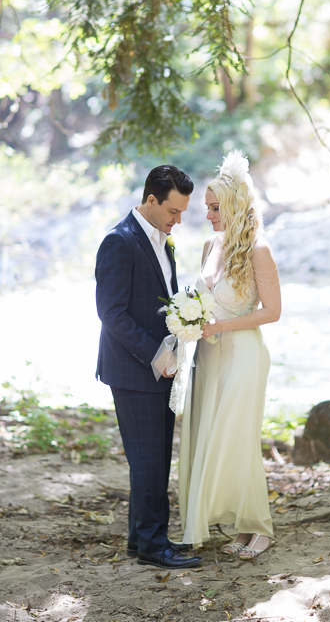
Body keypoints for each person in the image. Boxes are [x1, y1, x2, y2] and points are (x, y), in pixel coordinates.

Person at [95, 165, 202, 569]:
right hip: (134, 370)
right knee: (148, 460)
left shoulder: (163, 240)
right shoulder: (119, 242)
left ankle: (141, 541)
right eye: (173, 211)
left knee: (154, 458)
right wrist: (160, 356)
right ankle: (156, 548)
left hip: (161, 368)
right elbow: (112, 314)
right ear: (151, 200)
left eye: (183, 213)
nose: (178, 220)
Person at [178, 151, 281, 559]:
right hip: (209, 357)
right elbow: (202, 300)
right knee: (211, 436)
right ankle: (235, 523)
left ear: (236, 206)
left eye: (215, 207)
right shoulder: (210, 245)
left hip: (242, 355)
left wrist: (221, 326)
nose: (208, 215)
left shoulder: (259, 250)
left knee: (238, 439)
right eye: (207, 207)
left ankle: (259, 527)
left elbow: (272, 311)